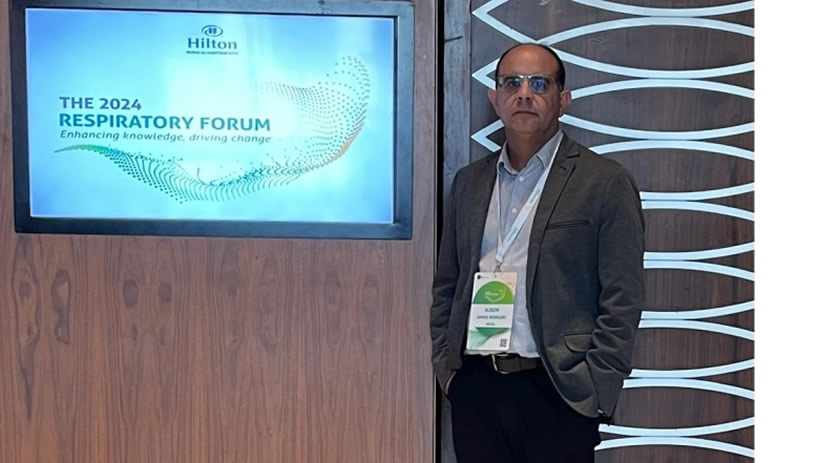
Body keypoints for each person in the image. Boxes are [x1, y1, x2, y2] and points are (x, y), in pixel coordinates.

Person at [430, 43, 645, 463]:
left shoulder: (604, 182)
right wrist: (449, 371)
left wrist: (596, 388)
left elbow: (623, 297)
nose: (524, 94)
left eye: (539, 84)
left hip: (559, 392)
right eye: (511, 83)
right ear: (495, 99)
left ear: (563, 100)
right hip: (476, 388)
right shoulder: (469, 183)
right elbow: (447, 286)